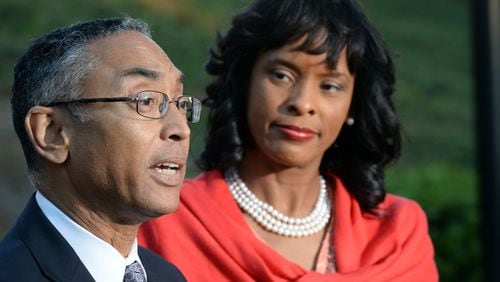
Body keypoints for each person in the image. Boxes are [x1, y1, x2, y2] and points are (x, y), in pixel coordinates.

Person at [139, 0, 438, 281]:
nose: (302, 103)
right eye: (282, 75)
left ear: (353, 105)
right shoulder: (163, 222)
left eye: (331, 85)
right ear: (244, 81)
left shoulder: (398, 235)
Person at [0, 16, 202, 281]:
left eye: (180, 102)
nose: (181, 129)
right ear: (52, 133)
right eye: (146, 100)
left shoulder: (167, 275)